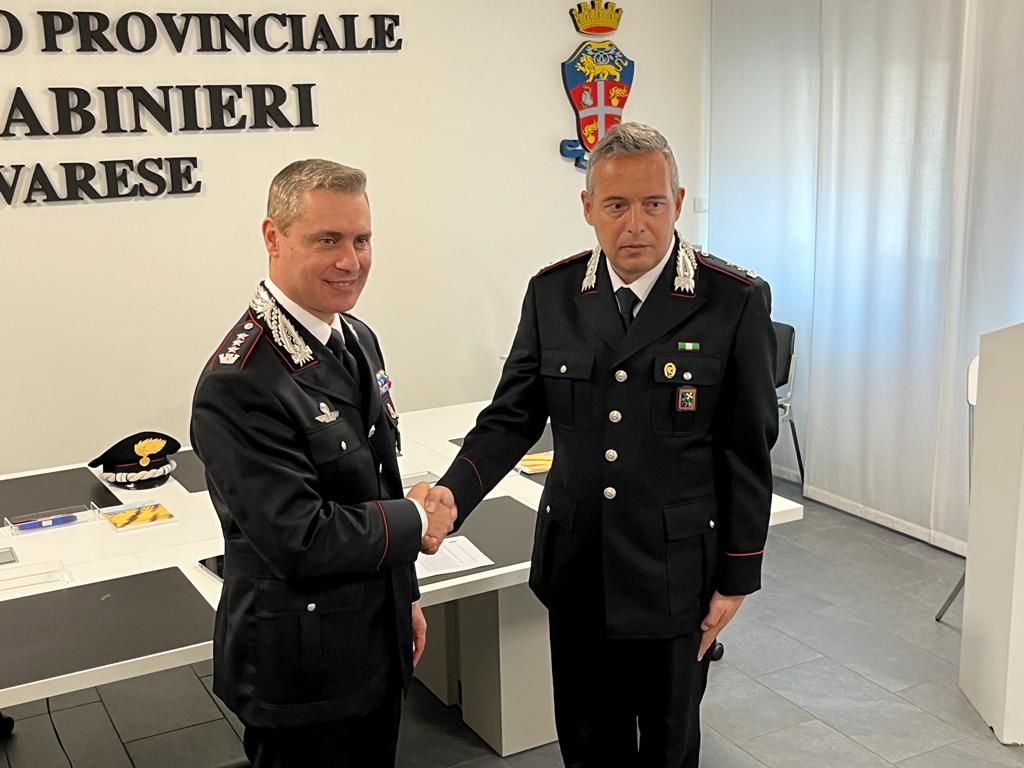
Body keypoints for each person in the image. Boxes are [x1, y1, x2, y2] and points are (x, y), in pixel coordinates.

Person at [426, 122, 778, 767]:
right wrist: (453, 493)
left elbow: (747, 449)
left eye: (652, 203)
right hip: (578, 567)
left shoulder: (732, 301)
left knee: (669, 748)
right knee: (587, 743)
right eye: (616, 205)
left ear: (678, 201)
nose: (635, 224)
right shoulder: (553, 294)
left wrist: (737, 577)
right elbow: (512, 417)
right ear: (588, 207)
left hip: (677, 576)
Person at [190, 159, 456, 768]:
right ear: (273, 237)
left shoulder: (356, 337)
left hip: (372, 637)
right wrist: (417, 520)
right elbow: (300, 537)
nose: (350, 261)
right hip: (303, 666)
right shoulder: (242, 380)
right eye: (327, 240)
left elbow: (375, 479)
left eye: (361, 240)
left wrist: (405, 597)